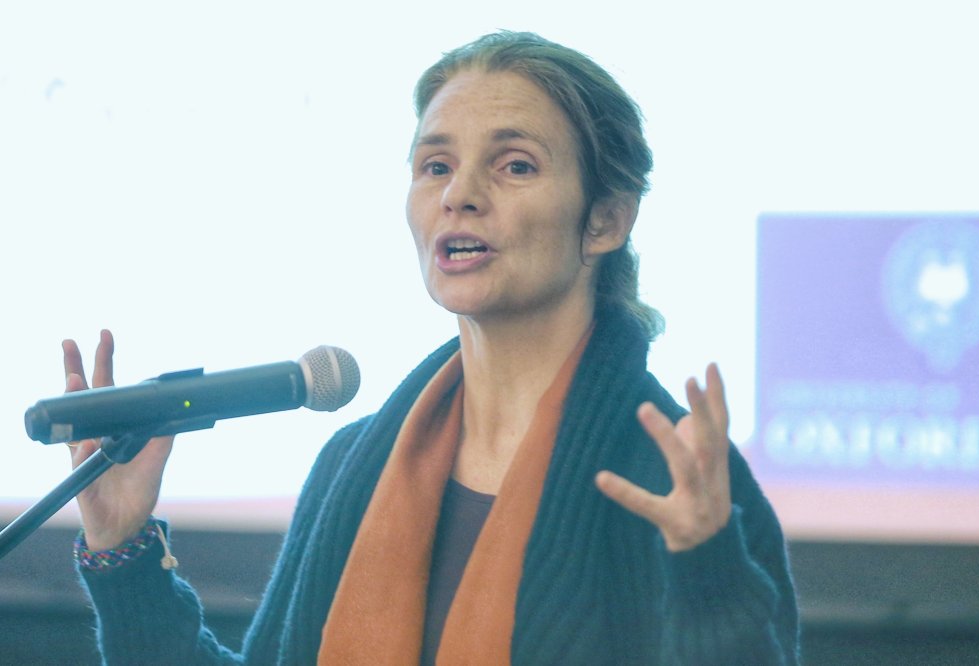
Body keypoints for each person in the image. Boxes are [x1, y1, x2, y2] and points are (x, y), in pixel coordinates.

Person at [64, 31, 799, 665]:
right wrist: (123, 549)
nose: (460, 195)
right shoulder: (355, 464)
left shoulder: (673, 475)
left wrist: (709, 573)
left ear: (605, 220)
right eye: (435, 166)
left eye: (514, 165)